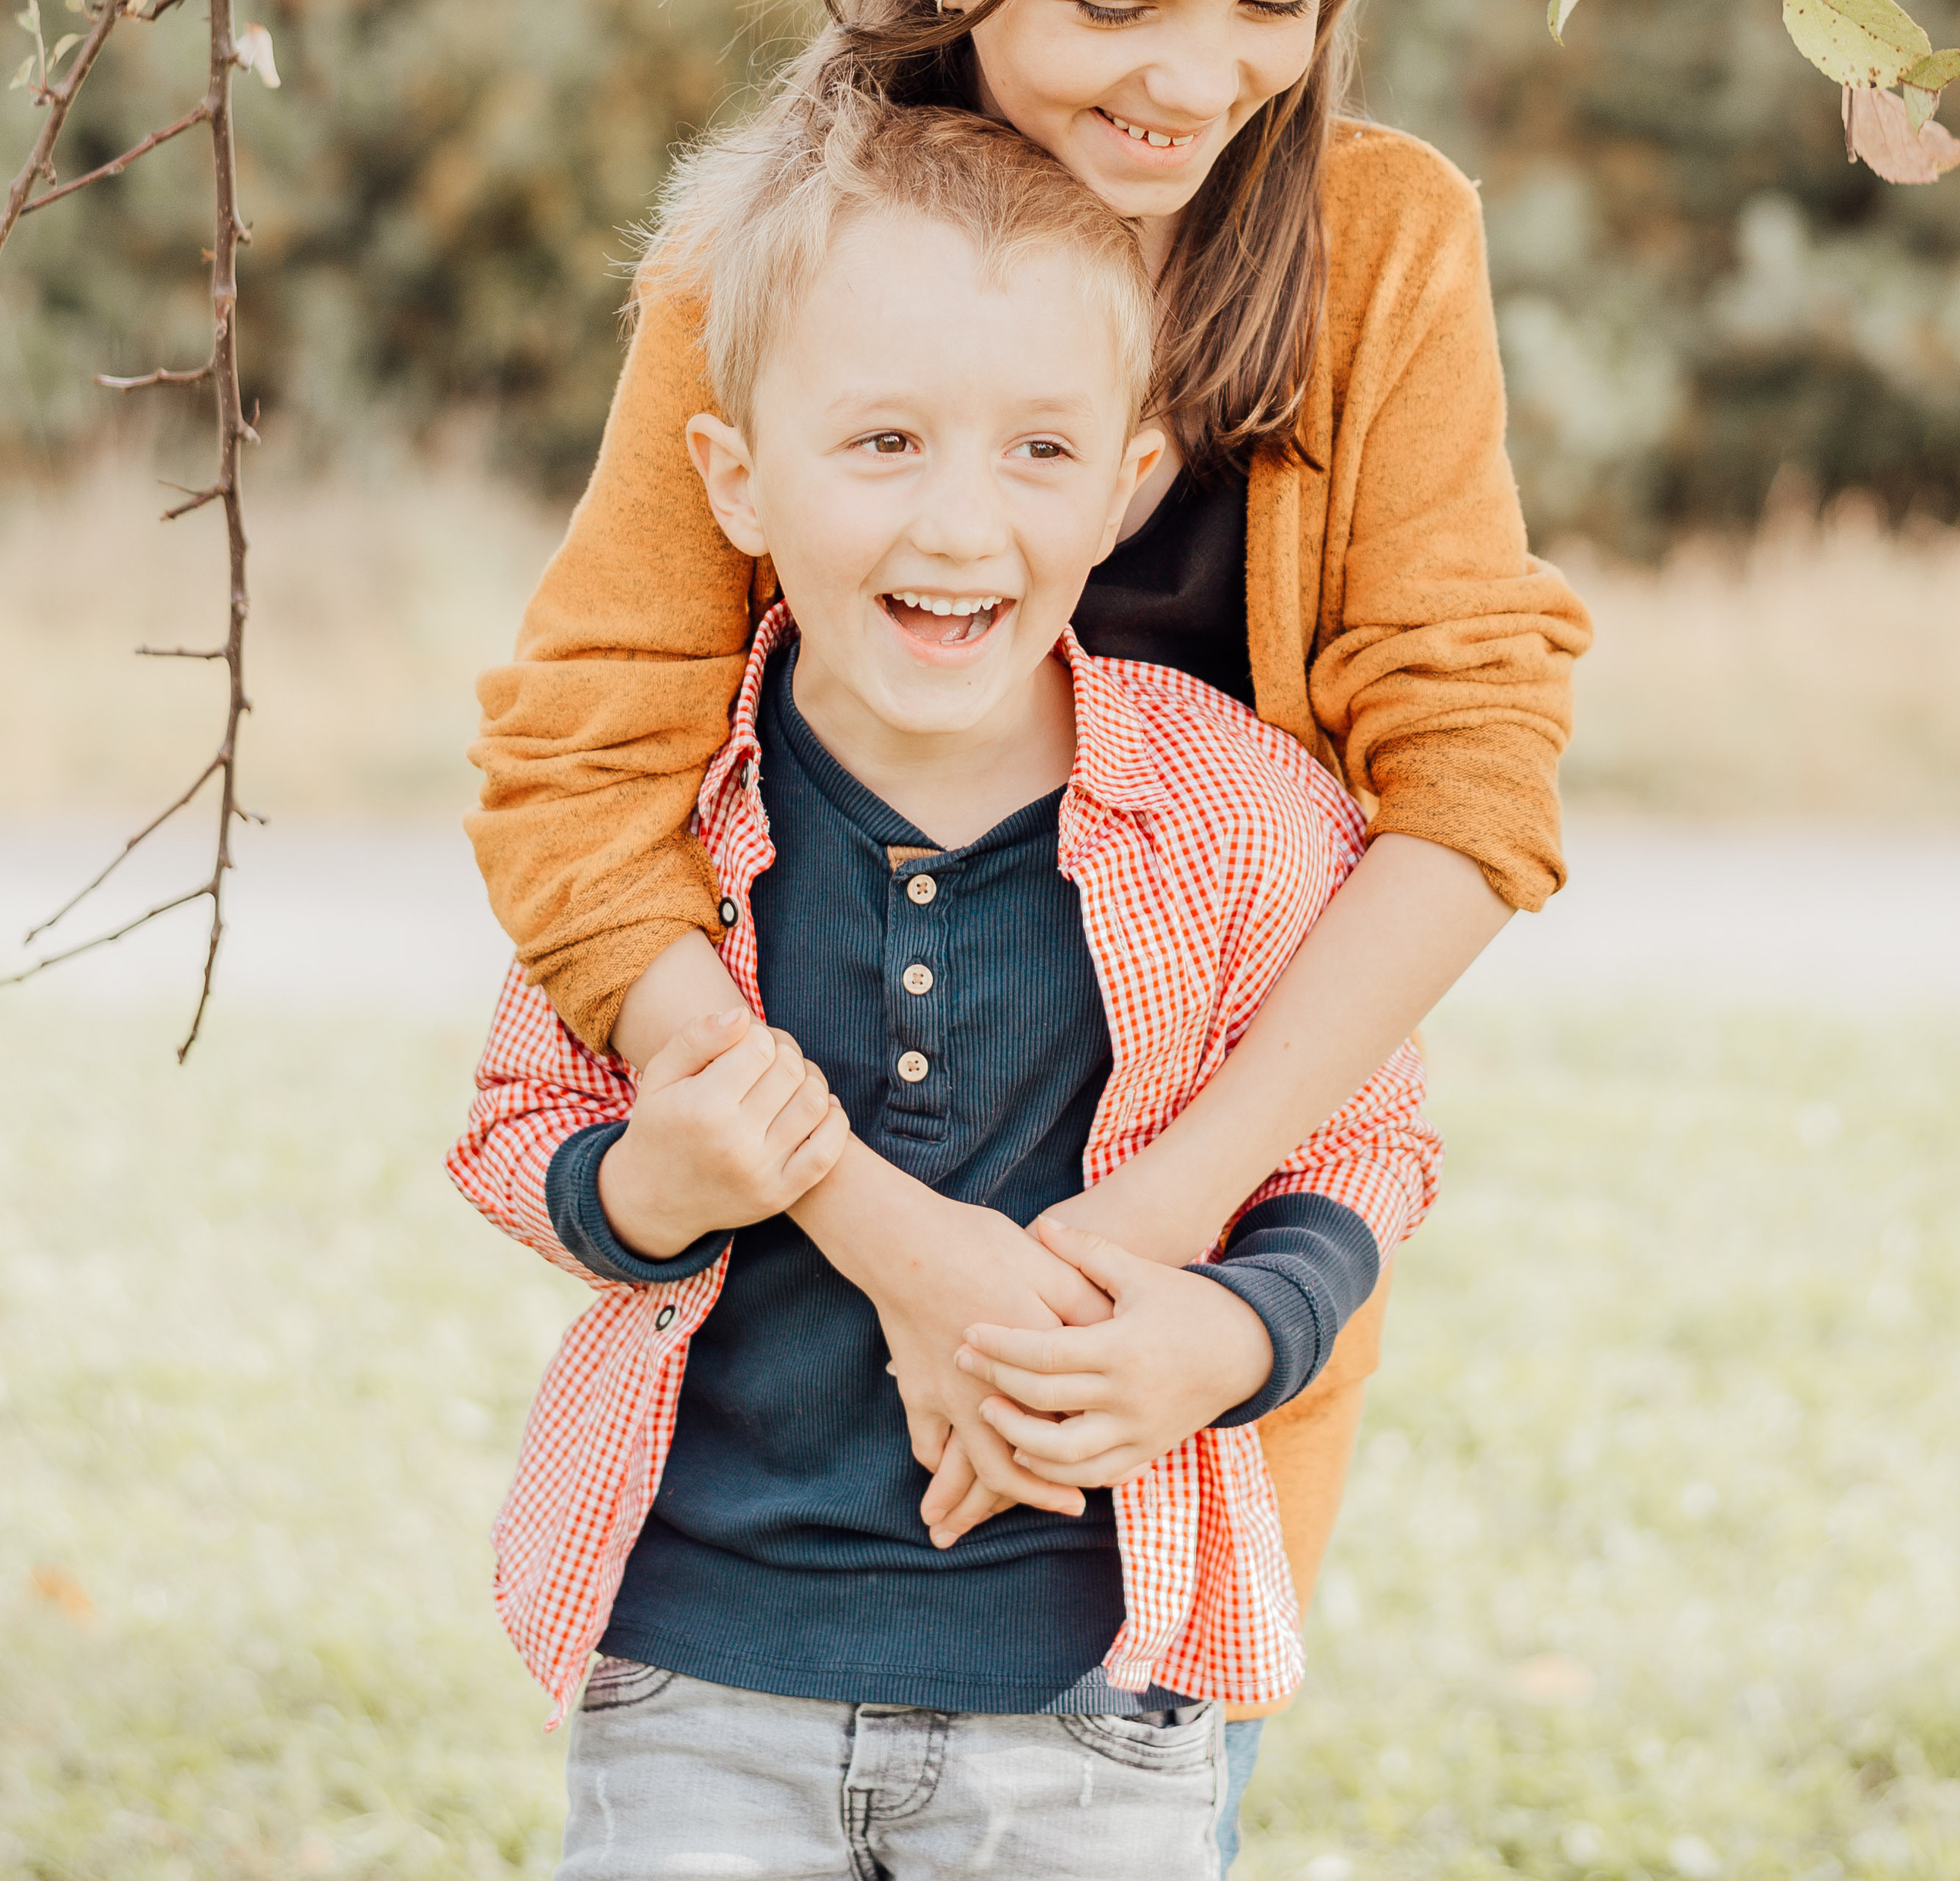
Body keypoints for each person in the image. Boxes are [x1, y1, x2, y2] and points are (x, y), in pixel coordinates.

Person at [468, 0, 1590, 1858]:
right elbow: (585, 778)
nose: (1201, 77)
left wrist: (1143, 1239)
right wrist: (905, 1247)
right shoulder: (765, 261)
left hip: (1166, 1348)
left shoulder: (1373, 253)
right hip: (793, 1345)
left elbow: (1468, 788)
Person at [450, 96, 1442, 1879]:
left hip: (1094, 1695)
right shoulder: (682, 821)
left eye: (1040, 453)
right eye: (884, 441)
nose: (961, 522)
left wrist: (1229, 1330)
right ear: (736, 473)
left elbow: (1368, 1138)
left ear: (1132, 483)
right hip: (702, 1672)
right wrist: (644, 1191)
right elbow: (527, 1123)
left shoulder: (1222, 809)